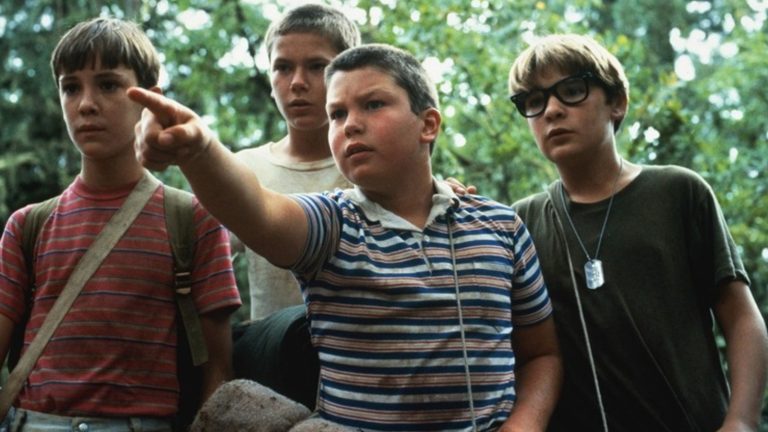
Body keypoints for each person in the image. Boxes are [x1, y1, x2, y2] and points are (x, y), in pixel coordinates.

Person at [129, 43, 562, 431]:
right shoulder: (332, 224)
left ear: (428, 124)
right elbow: (258, 210)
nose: (350, 124)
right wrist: (199, 150)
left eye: (373, 104)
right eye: (337, 114)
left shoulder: (500, 226)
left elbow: (541, 354)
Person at [508, 33, 768, 431]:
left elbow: (740, 317)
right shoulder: (518, 223)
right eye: (533, 101)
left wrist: (742, 420)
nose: (552, 110)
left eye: (572, 91)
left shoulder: (678, 192)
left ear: (617, 102)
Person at [0, 17, 241, 431]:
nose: (86, 104)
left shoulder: (193, 220)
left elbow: (218, 370)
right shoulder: (28, 226)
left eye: (108, 85)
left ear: (151, 100)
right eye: (70, 87)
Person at [233, 3, 359, 321]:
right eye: (283, 67)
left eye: (317, 66)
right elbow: (201, 263)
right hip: (272, 350)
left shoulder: (374, 167)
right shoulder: (244, 169)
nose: (298, 82)